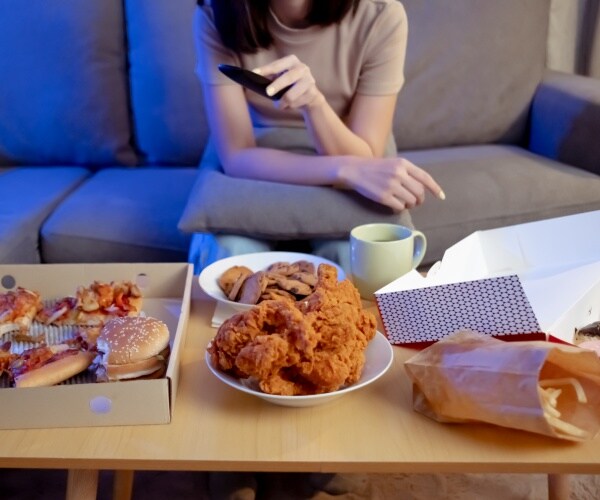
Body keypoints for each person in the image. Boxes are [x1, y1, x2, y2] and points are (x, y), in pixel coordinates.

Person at [190, 0, 444, 275]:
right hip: (260, 156)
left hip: (348, 144)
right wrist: (343, 170)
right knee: (229, 256)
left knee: (355, 260)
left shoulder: (381, 15)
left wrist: (314, 105)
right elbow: (237, 155)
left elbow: (365, 153)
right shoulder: (217, 14)